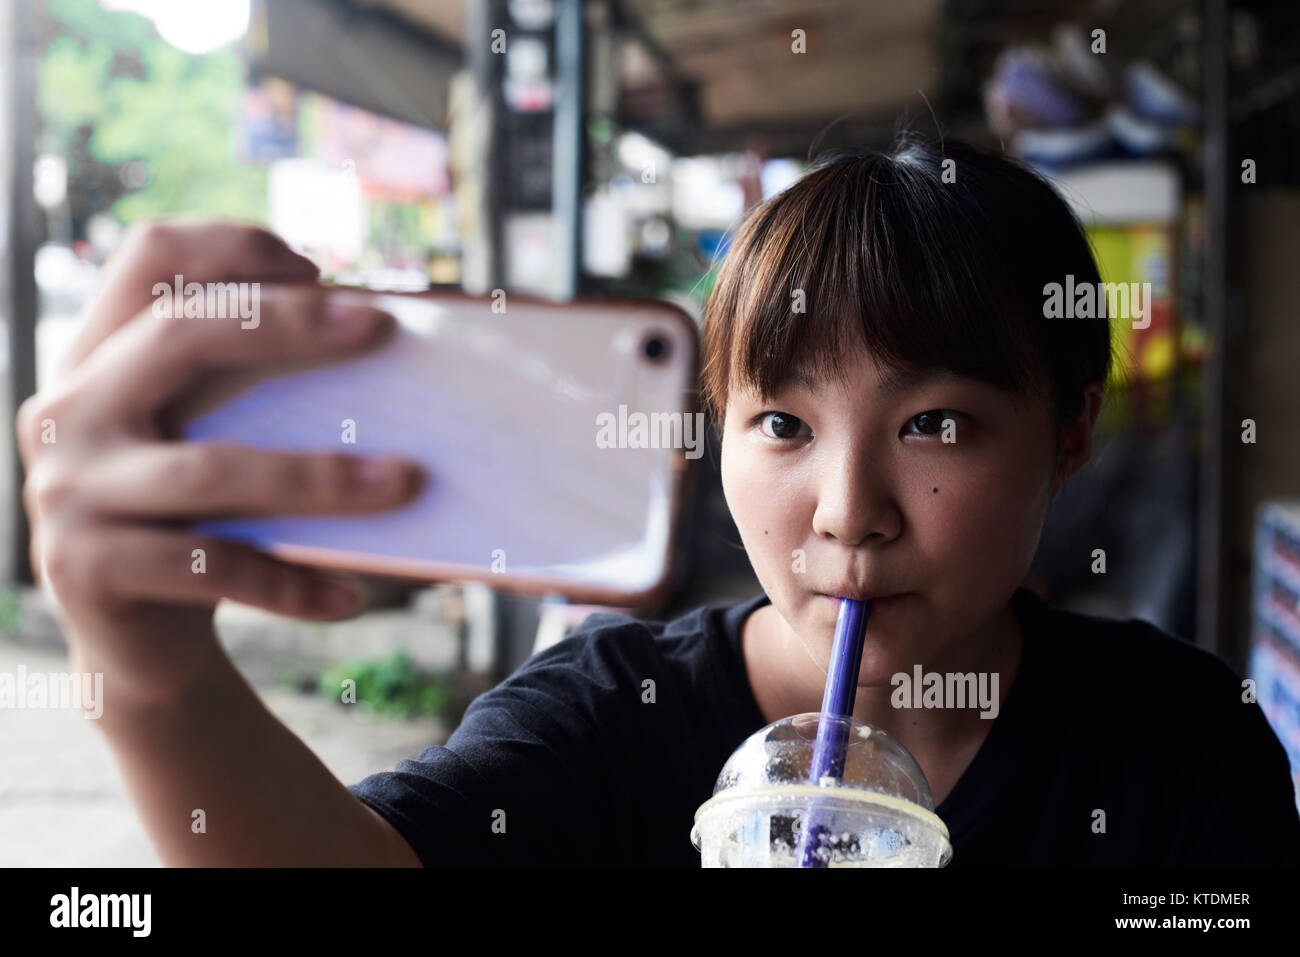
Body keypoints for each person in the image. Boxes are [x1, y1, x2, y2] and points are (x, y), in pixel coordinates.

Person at [17, 136, 1300, 866]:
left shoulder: (1175, 748)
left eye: (935, 425)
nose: (847, 512)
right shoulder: (608, 717)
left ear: (1070, 429)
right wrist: (156, 679)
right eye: (783, 424)